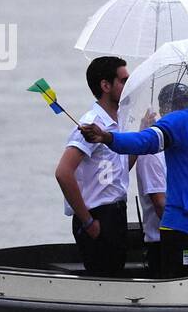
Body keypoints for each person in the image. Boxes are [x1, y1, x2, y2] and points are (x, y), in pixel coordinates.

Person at [80, 64, 188, 277]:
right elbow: (146, 141)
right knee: (185, 305)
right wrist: (108, 137)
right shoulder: (180, 121)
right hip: (184, 231)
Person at [55, 56, 131, 276]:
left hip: (117, 212)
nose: (129, 86)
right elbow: (63, 172)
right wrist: (88, 222)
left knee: (116, 276)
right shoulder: (92, 124)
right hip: (98, 215)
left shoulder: (118, 122)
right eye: (124, 81)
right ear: (105, 85)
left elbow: (120, 169)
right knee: (104, 280)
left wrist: (145, 130)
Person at [133, 83, 188, 276]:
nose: (186, 113)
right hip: (165, 242)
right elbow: (161, 205)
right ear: (164, 110)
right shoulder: (153, 153)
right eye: (179, 106)